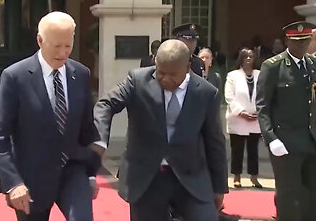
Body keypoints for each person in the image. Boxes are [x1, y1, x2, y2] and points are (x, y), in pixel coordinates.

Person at [94, 39, 228, 221]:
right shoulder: (137, 81)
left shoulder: (206, 93)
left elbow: (215, 142)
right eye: (161, 72)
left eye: (172, 74)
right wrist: (100, 138)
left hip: (191, 178)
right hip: (147, 178)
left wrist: (219, 187)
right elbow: (106, 104)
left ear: (187, 67)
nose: (165, 79)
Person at [0, 11, 102, 221]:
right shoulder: (15, 77)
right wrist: (13, 183)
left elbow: (87, 130)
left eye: (68, 46)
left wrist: (90, 173)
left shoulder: (81, 74)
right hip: (32, 176)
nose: (62, 53)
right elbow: (0, 136)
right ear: (40, 41)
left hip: (73, 169)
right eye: (56, 46)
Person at [257, 21, 316, 221]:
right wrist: (271, 138)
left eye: (305, 41)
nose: (301, 45)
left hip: (311, 139)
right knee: (289, 195)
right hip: (286, 141)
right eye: (297, 41)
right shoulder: (273, 66)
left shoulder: (313, 65)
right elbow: (263, 106)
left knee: (312, 194)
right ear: (287, 41)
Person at [225, 48, 262, 189]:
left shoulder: (260, 74)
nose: (248, 59)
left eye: (251, 56)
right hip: (238, 118)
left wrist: (258, 112)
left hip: (255, 117)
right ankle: (237, 176)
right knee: (237, 150)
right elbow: (229, 96)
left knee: (253, 150)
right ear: (241, 58)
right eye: (245, 56)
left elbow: (263, 94)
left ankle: (254, 177)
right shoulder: (233, 75)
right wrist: (241, 112)